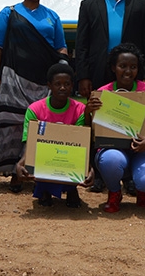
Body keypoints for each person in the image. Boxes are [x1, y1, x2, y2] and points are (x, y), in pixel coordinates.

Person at [0, 0, 68, 192]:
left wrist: (62, 68)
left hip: (44, 82)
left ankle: (38, 170)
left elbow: (61, 47)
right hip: (12, 80)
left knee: (38, 127)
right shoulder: (9, 13)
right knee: (11, 125)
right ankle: (13, 172)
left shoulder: (52, 16)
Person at [91, 43, 145, 213]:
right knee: (111, 161)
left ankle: (142, 191)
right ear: (113, 67)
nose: (128, 71)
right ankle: (114, 192)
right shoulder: (103, 93)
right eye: (122, 66)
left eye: (133, 67)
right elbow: (91, 129)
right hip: (113, 149)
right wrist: (89, 110)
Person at [15, 64, 98, 207]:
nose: (62, 88)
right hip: (45, 159)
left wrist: (88, 167)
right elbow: (30, 143)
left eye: (67, 84)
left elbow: (81, 145)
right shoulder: (34, 110)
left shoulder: (79, 110)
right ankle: (44, 189)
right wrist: (21, 163)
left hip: (69, 157)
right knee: (42, 155)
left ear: (72, 85)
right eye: (57, 84)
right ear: (49, 86)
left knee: (69, 155)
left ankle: (71, 189)